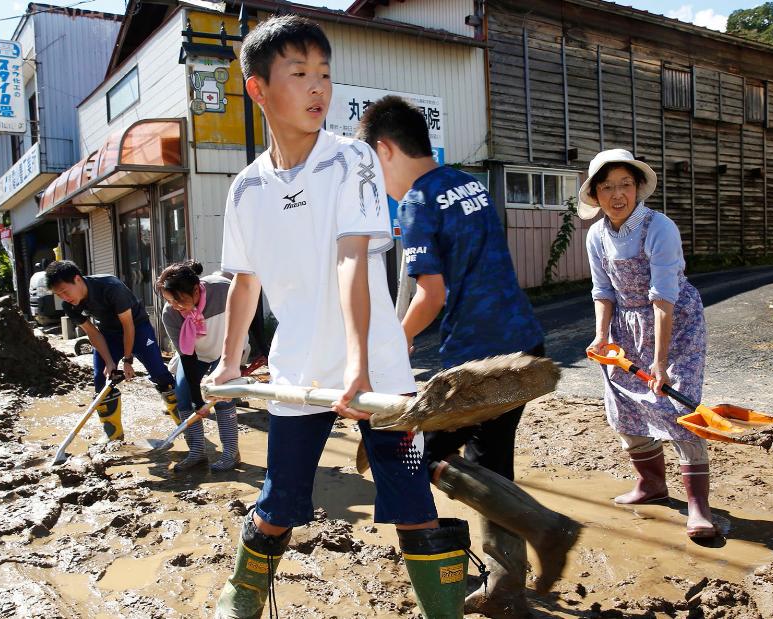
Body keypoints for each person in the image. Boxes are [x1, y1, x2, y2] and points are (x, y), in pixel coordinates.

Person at [207, 15, 469, 619]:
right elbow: (245, 282)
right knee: (278, 502)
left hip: (376, 368)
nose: (318, 87)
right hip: (299, 372)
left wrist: (360, 366)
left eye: (324, 73)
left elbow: (355, 260)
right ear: (258, 89)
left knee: (409, 499)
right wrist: (227, 364)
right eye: (299, 74)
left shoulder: (352, 160)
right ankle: (240, 601)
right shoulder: (246, 189)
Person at [358, 96, 577, 614]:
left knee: (426, 454)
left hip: (478, 362)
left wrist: (395, 341)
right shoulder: (468, 184)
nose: (378, 182)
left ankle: (547, 528)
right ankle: (507, 590)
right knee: (492, 464)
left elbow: (428, 296)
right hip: (524, 344)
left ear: (386, 150)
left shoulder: (416, 202)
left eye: (373, 166)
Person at [580, 148, 715, 539]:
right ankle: (651, 485)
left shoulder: (659, 228)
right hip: (625, 325)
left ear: (638, 188)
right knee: (622, 404)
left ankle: (698, 507)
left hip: (673, 321)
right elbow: (603, 290)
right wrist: (602, 336)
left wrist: (659, 361)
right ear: (596, 194)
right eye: (607, 187)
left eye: (625, 185)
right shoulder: (597, 235)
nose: (617, 195)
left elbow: (662, 296)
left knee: (678, 406)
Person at [45, 260, 179, 442]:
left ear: (77, 279)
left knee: (159, 374)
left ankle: (185, 422)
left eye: (65, 291)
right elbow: (93, 333)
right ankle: (114, 436)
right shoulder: (70, 306)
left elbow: (128, 325)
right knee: (101, 381)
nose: (64, 297)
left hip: (137, 328)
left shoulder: (110, 286)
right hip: (108, 333)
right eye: (58, 294)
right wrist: (109, 362)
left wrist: (127, 359)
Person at [156, 260, 248, 472]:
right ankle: (197, 451)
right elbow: (187, 358)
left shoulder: (223, 290)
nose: (176, 306)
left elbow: (247, 314)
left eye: (178, 299)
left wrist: (256, 347)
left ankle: (231, 453)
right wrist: (198, 401)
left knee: (223, 397)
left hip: (227, 351)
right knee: (183, 394)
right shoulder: (170, 314)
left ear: (196, 289)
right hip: (197, 355)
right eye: (170, 301)